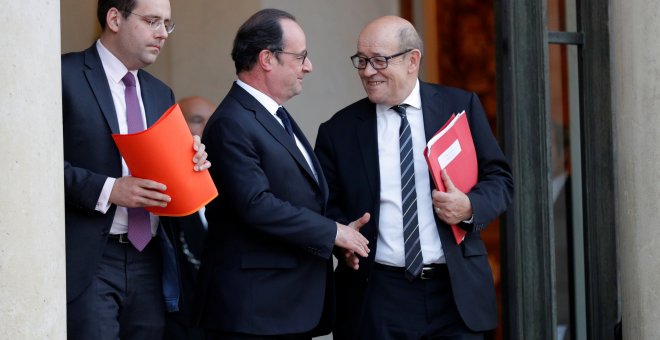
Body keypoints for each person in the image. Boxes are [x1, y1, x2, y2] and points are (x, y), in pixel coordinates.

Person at [314, 16, 513, 339]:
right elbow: (326, 206)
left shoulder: (459, 107)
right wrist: (342, 237)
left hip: (454, 292)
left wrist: (469, 207)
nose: (367, 71)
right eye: (362, 61)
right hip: (377, 295)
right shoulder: (338, 130)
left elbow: (500, 179)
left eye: (379, 60)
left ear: (412, 60)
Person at [195, 8, 370, 339]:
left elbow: (301, 198)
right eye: (301, 56)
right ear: (266, 59)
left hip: (284, 308)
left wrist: (336, 237)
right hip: (255, 311)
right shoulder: (233, 122)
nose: (309, 66)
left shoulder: (272, 116)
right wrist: (333, 232)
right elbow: (256, 204)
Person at [62, 0, 210, 339]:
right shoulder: (63, 76)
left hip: (151, 257)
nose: (163, 34)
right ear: (115, 18)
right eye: (153, 21)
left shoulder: (161, 93)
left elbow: (169, 176)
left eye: (167, 24)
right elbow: (28, 166)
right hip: (89, 260)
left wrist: (192, 163)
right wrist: (108, 189)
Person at [164, 95, 215, 340]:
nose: (207, 128)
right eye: (197, 120)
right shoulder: (162, 187)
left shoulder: (231, 179)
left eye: (211, 120)